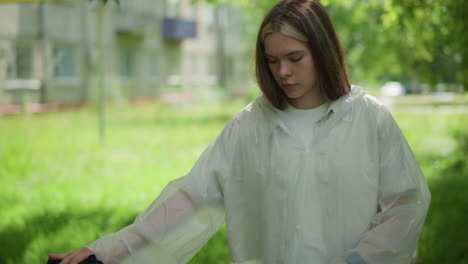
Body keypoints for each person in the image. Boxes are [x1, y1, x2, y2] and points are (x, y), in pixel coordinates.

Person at [48, 0, 431, 263]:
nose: (283, 72)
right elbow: (191, 199)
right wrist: (108, 251)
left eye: (295, 58)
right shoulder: (250, 126)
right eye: (272, 60)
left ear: (323, 51)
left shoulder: (369, 120)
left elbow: (406, 203)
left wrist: (357, 260)